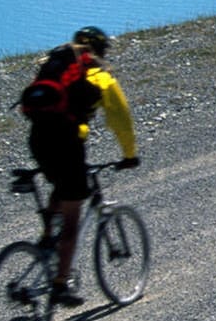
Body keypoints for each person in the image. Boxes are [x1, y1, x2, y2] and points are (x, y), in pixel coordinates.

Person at [25, 26, 140, 306]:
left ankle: (46, 240)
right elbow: (120, 118)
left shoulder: (56, 66)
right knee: (73, 218)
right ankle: (60, 284)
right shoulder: (100, 76)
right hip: (67, 145)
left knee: (61, 186)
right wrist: (129, 154)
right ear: (101, 50)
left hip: (38, 140)